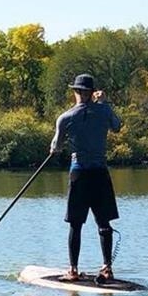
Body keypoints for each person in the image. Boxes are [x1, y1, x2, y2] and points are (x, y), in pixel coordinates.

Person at [50, 73, 122, 283]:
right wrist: (103, 103)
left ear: (77, 92)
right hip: (100, 173)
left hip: (79, 173)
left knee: (75, 224)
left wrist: (55, 147)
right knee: (104, 223)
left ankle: (73, 270)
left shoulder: (65, 118)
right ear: (92, 93)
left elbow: (56, 148)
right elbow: (117, 126)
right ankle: (107, 268)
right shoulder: (104, 110)